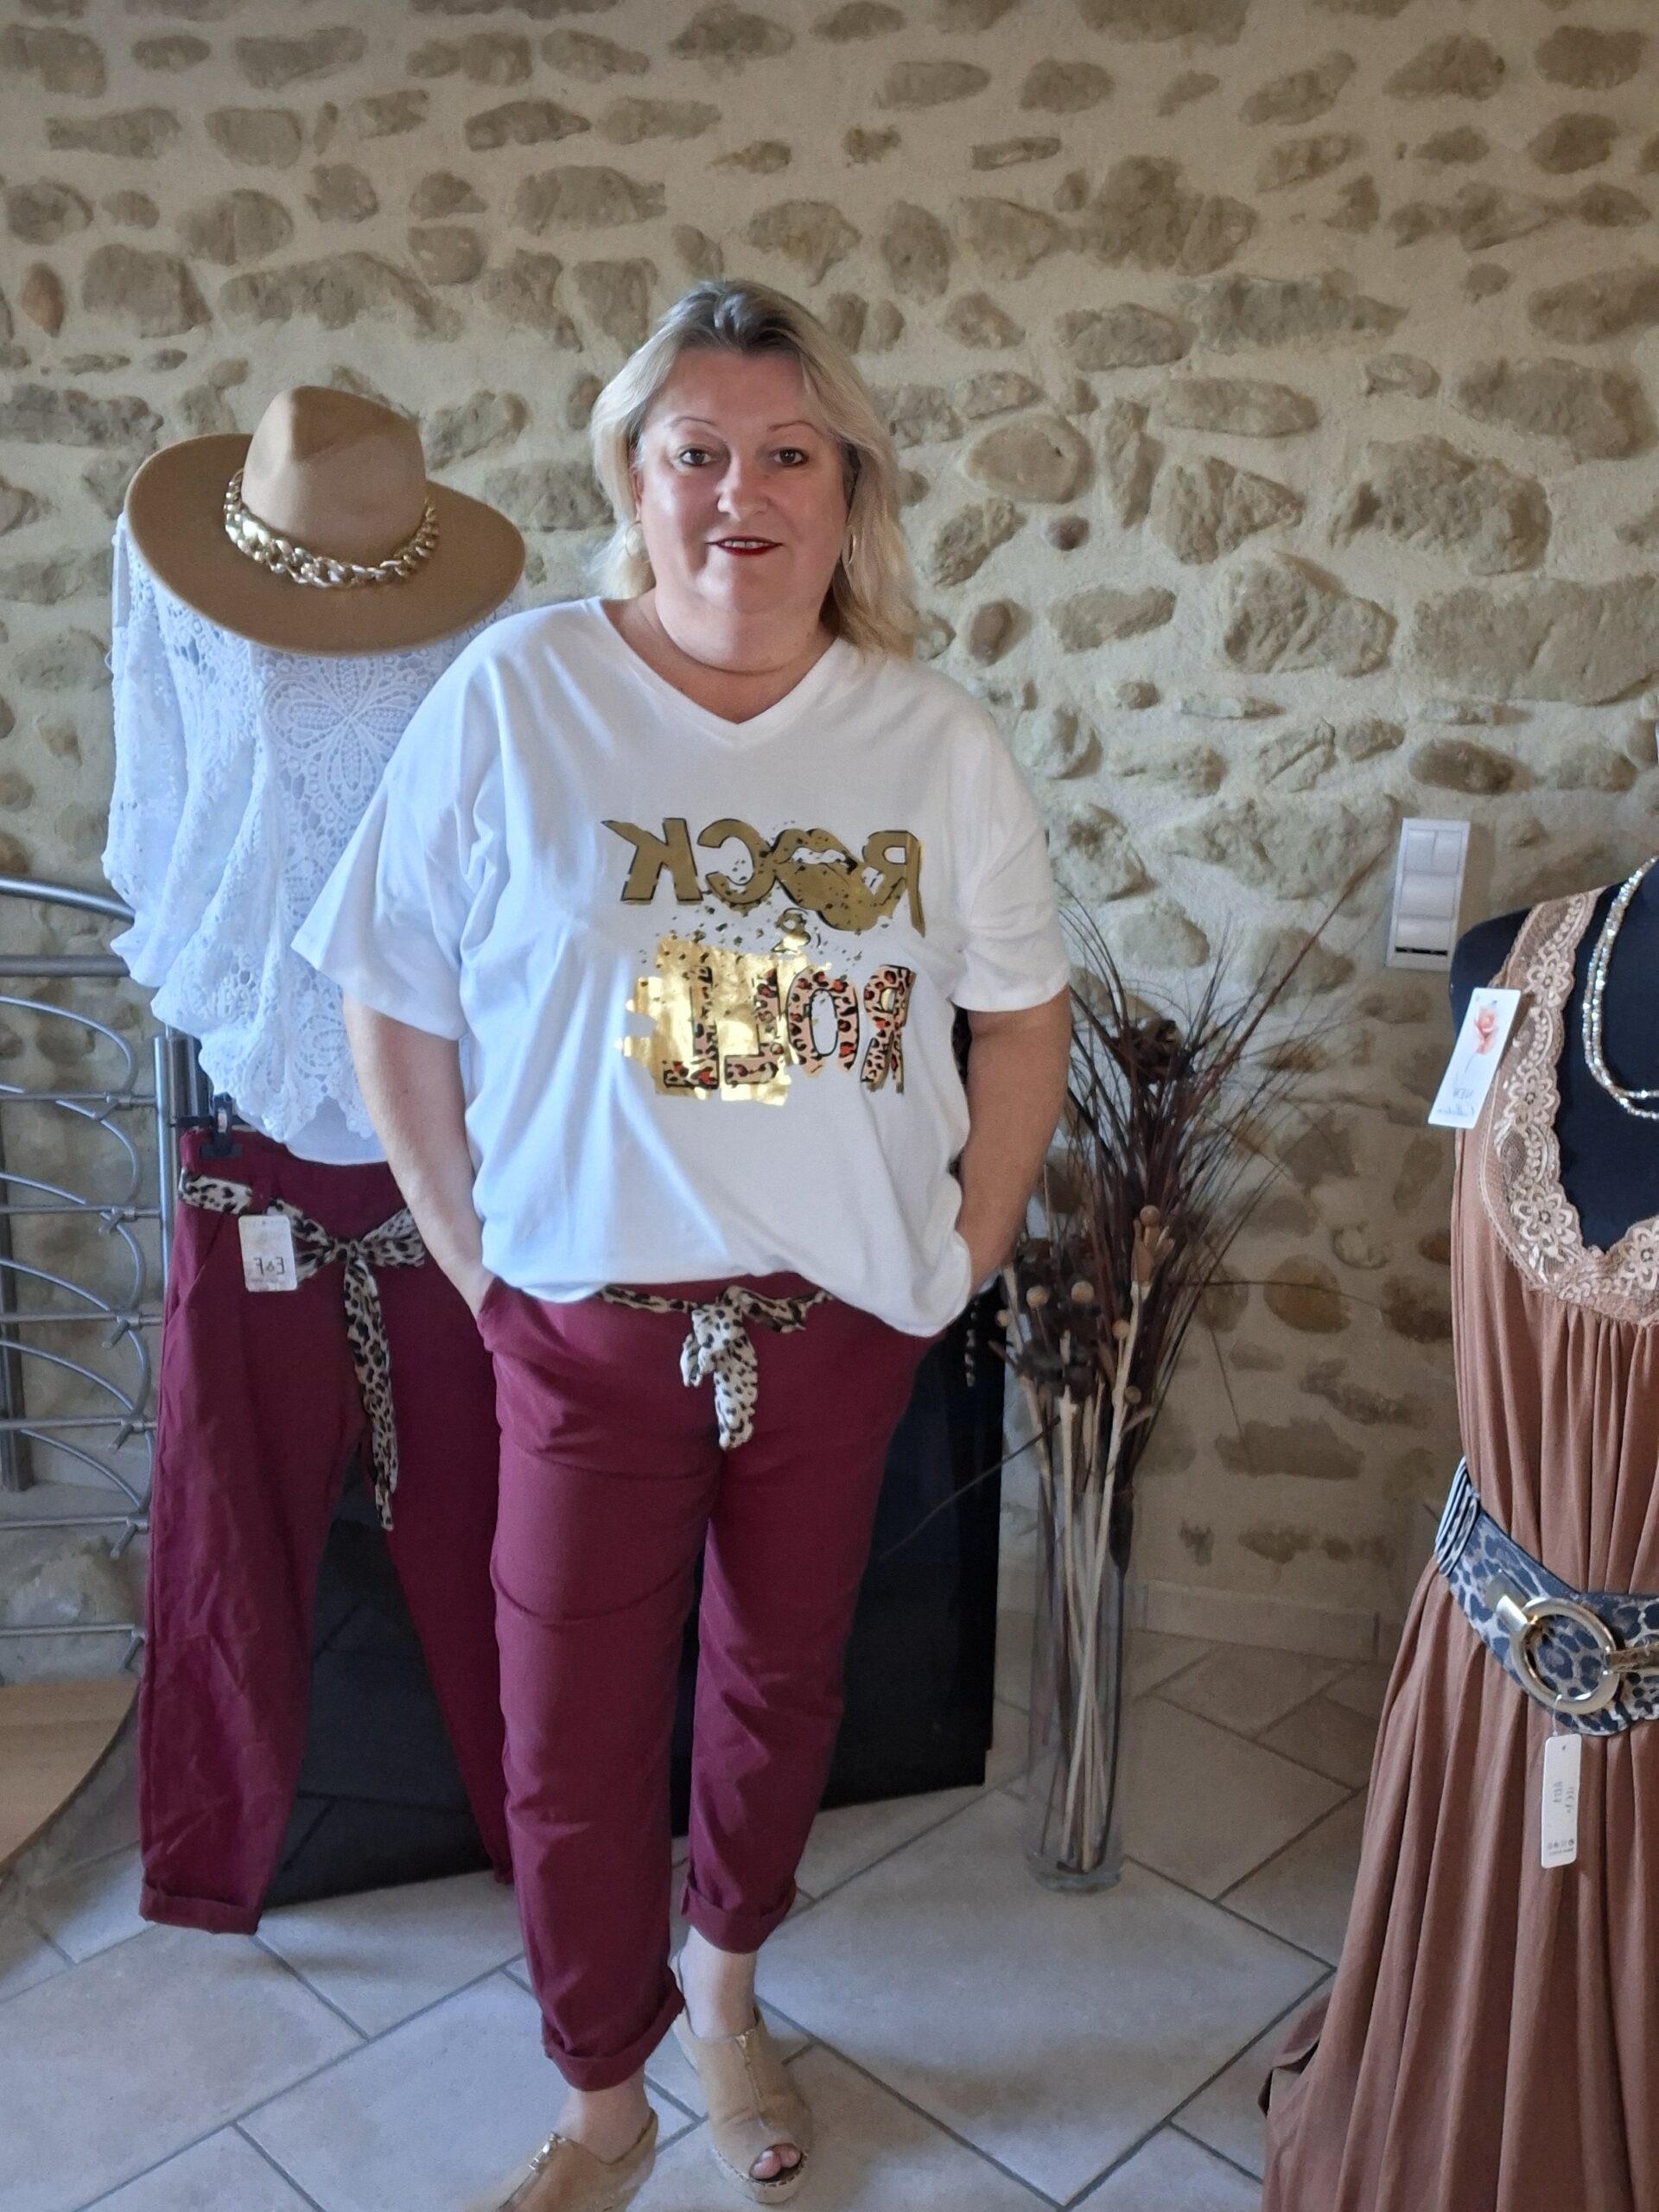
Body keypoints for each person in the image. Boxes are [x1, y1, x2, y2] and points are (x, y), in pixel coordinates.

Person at [296, 278, 1072, 2212]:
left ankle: (723, 1992)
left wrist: (965, 1247)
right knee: (565, 1735)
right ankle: (600, 2089)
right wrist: (476, 1261)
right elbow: (390, 988)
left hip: (833, 1325)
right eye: (697, 451)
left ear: (849, 488)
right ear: (634, 481)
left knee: (778, 1685)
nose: (743, 492)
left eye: (789, 452)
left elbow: (1021, 1012)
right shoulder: (523, 693)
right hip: (587, 1325)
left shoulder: (933, 742)